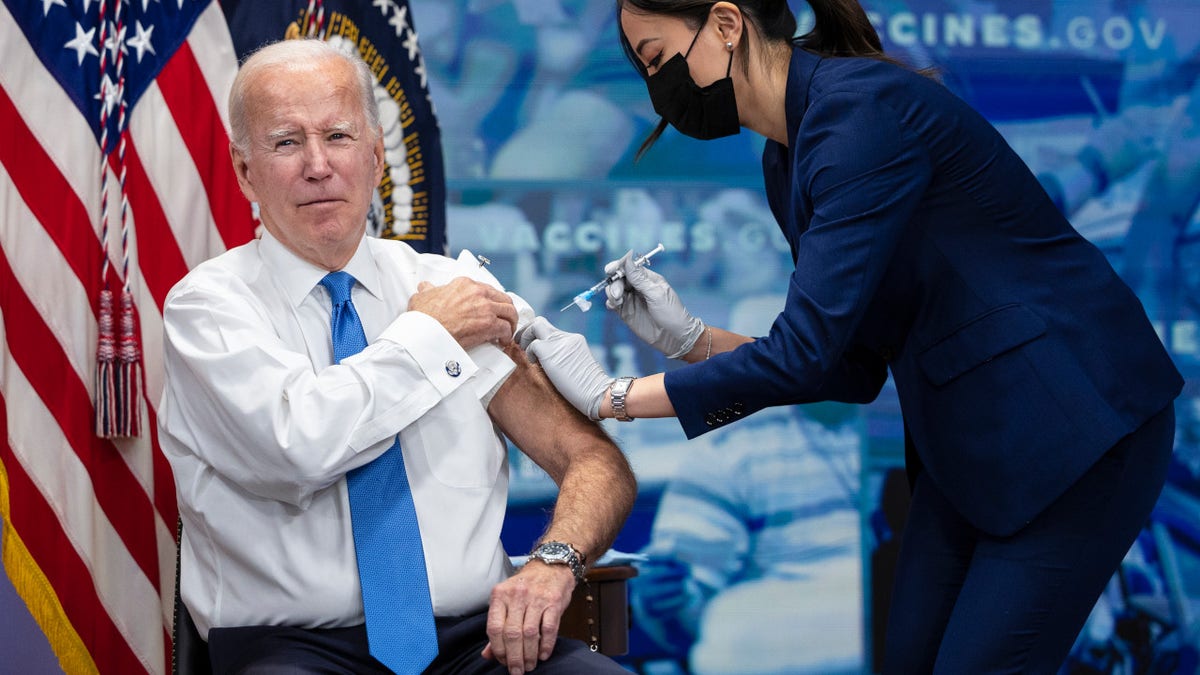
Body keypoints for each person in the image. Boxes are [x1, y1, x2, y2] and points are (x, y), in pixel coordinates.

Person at [518, 1, 1185, 672]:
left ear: (726, 25)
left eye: (658, 60)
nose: (657, 90)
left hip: (1074, 421)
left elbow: (803, 352)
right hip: (974, 442)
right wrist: (692, 340)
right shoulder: (789, 155)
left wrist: (613, 396)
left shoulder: (858, 116)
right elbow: (846, 364)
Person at [158, 38, 636, 675]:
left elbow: (593, 460)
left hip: (476, 643)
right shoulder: (208, 307)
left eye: (338, 136)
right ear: (246, 172)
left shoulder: (454, 289)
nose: (318, 165)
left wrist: (554, 563)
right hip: (291, 650)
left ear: (378, 155)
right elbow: (297, 447)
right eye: (287, 142)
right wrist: (429, 335)